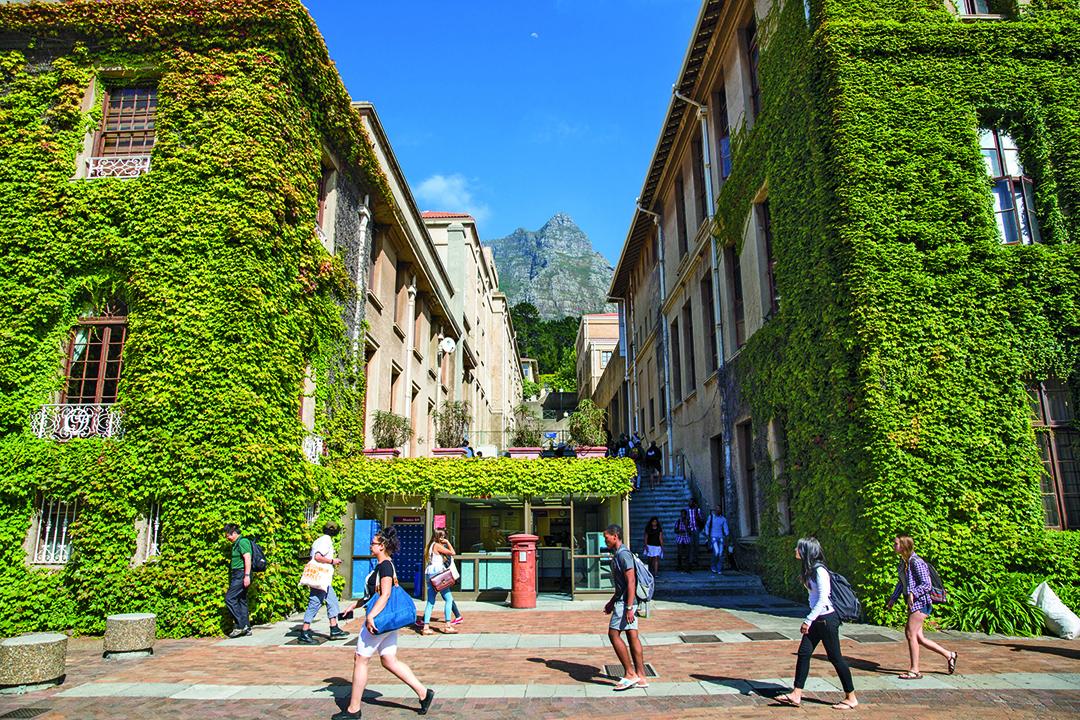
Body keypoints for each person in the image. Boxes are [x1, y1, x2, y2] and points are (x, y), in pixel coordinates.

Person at [333, 526, 435, 720]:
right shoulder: (382, 565)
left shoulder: (385, 566)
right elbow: (375, 593)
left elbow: (386, 594)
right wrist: (354, 606)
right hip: (388, 621)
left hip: (379, 620)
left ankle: (354, 709)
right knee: (389, 660)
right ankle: (423, 693)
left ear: (382, 546)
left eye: (373, 543)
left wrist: (370, 616)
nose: (370, 545)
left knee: (361, 658)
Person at [776, 537, 858, 711]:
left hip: (826, 620)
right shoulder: (809, 570)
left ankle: (851, 697)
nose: (795, 550)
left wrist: (808, 620)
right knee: (804, 653)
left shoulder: (820, 571)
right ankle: (796, 694)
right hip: (817, 619)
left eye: (798, 548)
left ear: (806, 551)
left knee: (836, 658)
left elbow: (823, 598)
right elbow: (813, 597)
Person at [887, 535, 957, 679]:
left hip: (921, 602)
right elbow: (901, 583)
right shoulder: (903, 562)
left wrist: (913, 593)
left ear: (904, 546)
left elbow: (926, 584)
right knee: (919, 637)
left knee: (910, 634)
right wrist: (893, 598)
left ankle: (914, 670)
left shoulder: (916, 562)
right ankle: (949, 655)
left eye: (896, 544)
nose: (893, 546)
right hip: (913, 602)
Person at [603, 523, 648, 691]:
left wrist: (629, 607)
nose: (605, 540)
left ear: (615, 536)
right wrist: (611, 602)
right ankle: (641, 676)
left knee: (613, 634)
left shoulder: (623, 555)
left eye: (606, 537)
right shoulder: (620, 554)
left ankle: (630, 673)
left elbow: (631, 581)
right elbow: (622, 585)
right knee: (632, 635)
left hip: (626, 603)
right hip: (623, 601)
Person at [297, 521, 350, 644]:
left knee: (332, 601)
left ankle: (334, 627)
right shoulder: (326, 541)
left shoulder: (319, 540)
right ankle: (304, 632)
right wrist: (333, 561)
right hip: (320, 578)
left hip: (324, 579)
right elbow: (318, 557)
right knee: (315, 602)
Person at [421, 529, 458, 635]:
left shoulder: (430, 546)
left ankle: (426, 627)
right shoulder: (437, 545)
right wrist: (448, 543)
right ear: (439, 537)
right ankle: (447, 625)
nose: (444, 538)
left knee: (430, 602)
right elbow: (453, 553)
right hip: (438, 575)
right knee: (449, 599)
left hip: (429, 574)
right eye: (443, 537)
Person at [223, 523, 252, 638]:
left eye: (228, 535)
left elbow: (247, 558)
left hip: (241, 574)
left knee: (229, 598)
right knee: (241, 600)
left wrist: (247, 575)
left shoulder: (242, 542)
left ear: (234, 533)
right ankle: (247, 627)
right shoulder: (236, 543)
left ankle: (240, 625)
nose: (227, 538)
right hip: (238, 574)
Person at [705, 505, 730, 574]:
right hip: (713, 537)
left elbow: (726, 529)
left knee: (721, 553)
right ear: (715, 510)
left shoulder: (723, 519)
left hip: (721, 537)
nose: (718, 510)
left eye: (719, 509)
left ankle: (719, 568)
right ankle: (713, 566)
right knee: (716, 552)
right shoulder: (711, 517)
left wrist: (727, 535)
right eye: (716, 509)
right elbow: (707, 526)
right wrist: (707, 535)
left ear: (721, 510)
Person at [687, 499, 705, 571]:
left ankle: (695, 559)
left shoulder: (698, 510)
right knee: (691, 545)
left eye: (691, 502)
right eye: (689, 502)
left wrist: (698, 517)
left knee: (696, 545)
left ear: (694, 503)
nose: (689, 503)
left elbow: (702, 519)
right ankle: (690, 561)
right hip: (690, 529)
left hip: (696, 529)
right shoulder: (687, 510)